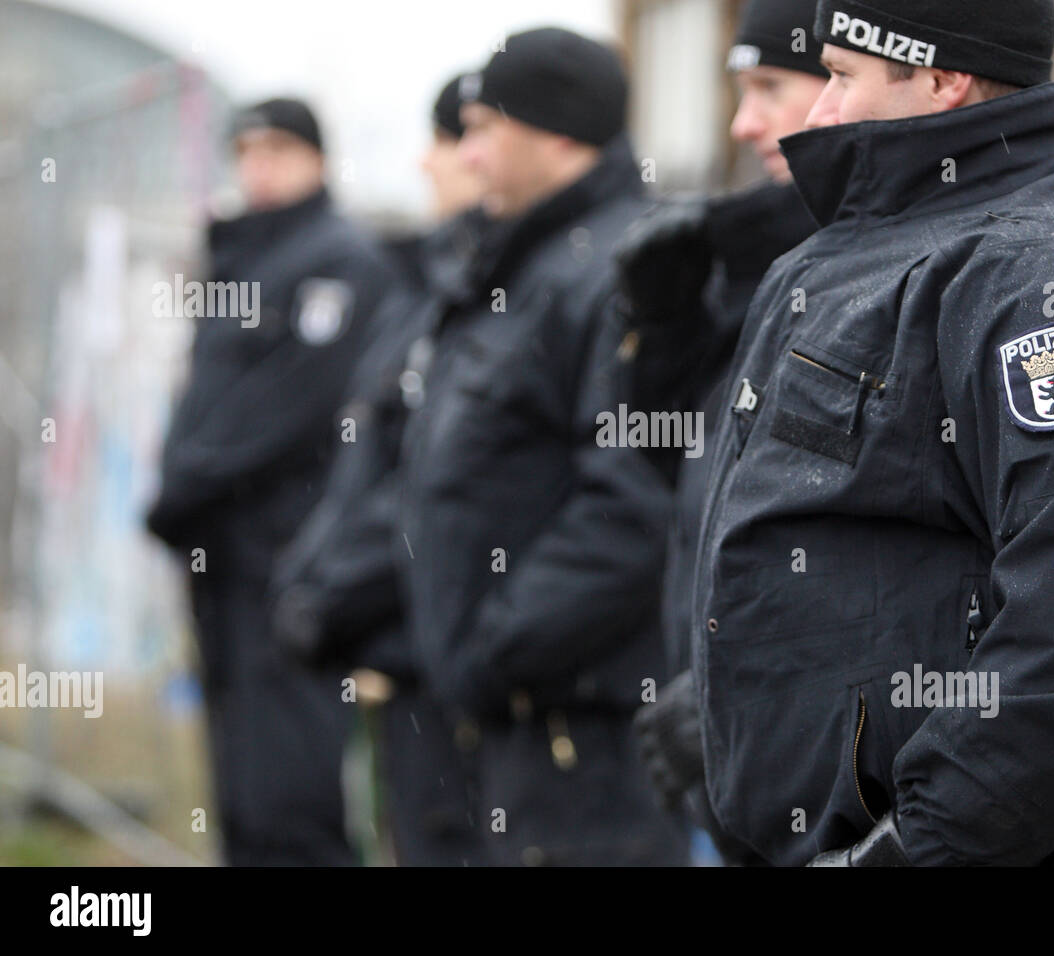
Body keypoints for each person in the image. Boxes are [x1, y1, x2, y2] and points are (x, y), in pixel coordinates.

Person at [692, 0, 1054, 866]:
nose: (818, 113)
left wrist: (915, 848)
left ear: (941, 79)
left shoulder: (1042, 271)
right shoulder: (857, 252)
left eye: (840, 76)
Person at [395, 27, 689, 866]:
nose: (468, 155)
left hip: (581, 734)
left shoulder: (622, 271)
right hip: (510, 722)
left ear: (559, 134)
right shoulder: (522, 267)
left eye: (486, 129)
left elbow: (635, 501)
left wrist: (493, 651)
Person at [146, 98, 398, 865]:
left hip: (286, 557)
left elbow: (288, 408)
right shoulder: (239, 255)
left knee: (291, 791)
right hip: (220, 555)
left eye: (281, 149)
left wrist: (180, 488)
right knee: (240, 786)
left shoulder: (342, 261)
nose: (261, 165)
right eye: (247, 150)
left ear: (318, 160)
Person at [617, 0, 825, 862]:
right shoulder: (755, 257)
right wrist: (663, 327)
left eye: (773, 87)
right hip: (722, 746)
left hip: (818, 773)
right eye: (740, 92)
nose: (745, 125)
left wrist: (745, 693)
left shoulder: (884, 264)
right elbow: (688, 467)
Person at [269, 76, 485, 865]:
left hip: (453, 663)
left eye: (447, 141)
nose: (426, 165)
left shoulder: (507, 296)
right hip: (398, 648)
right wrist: (315, 578)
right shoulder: (426, 292)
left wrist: (342, 587)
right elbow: (366, 464)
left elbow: (447, 486)